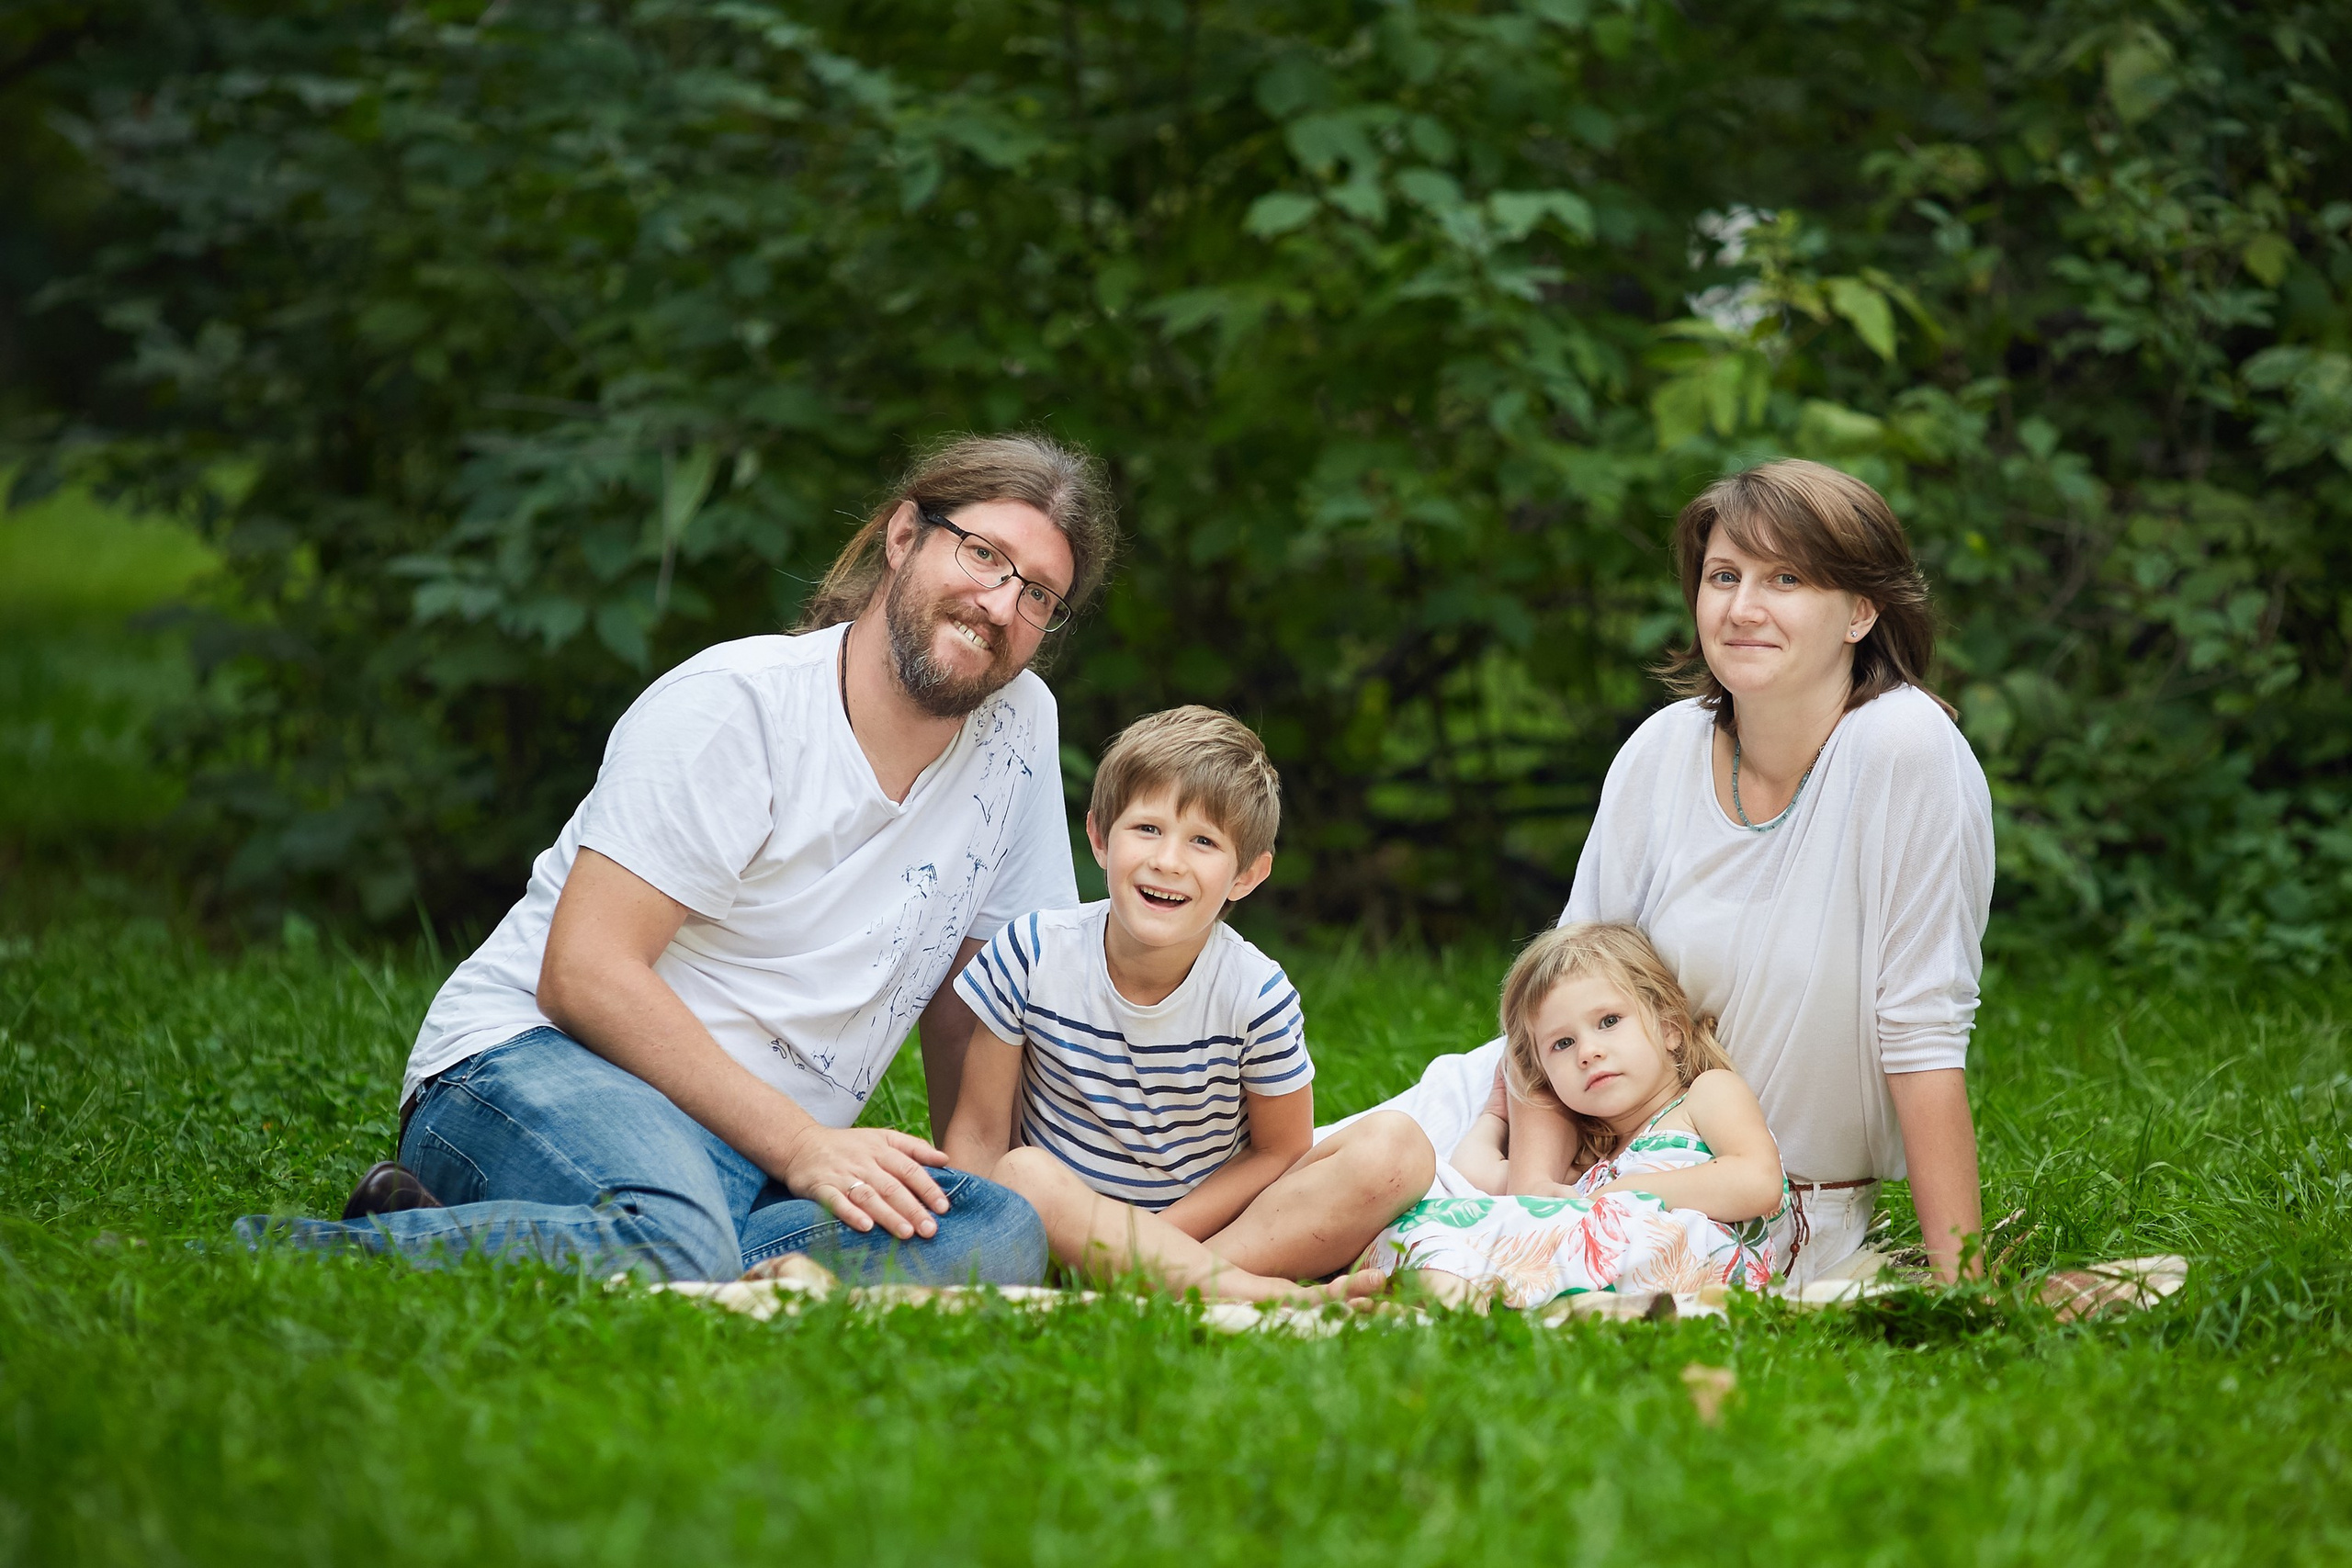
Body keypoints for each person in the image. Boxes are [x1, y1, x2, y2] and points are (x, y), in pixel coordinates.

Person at [235, 432, 1118, 1284]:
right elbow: (582, 973)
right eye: (982, 555)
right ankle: (292, 1257)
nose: (1001, 606)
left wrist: (955, 1189)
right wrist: (804, 1145)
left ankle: (569, 1237)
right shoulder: (736, 706)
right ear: (901, 536)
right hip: (538, 1065)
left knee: (999, 1230)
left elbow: (981, 992)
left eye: (1039, 594)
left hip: (750, 1149)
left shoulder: (1018, 729)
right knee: (682, 1239)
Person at [1332, 458, 1994, 1283]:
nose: (1743, 607)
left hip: (1732, 1203)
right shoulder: (1665, 748)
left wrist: (1965, 1281)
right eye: (1724, 575)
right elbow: (1557, 993)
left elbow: (1922, 1025)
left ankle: (1173, 1275)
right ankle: (1164, 1268)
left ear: (1862, 610)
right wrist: (1536, 1187)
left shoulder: (1904, 751)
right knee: (1287, 1179)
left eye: (1785, 578)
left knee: (1333, 1229)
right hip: (1545, 1132)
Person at [942, 706, 1382, 1303]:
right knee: (1023, 1174)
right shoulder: (1031, 952)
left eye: (1203, 840)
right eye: (1147, 828)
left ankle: (1159, 1278)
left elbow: (1280, 1150)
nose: (1168, 860)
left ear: (1247, 875)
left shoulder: (1257, 993)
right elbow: (979, 1131)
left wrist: (1154, 1239)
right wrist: (971, 1243)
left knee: (1395, 1152)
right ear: (1099, 837)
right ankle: (1254, 1293)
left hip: (1206, 1231)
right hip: (1058, 1226)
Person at [1367, 923, 1787, 1310]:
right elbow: (1476, 1179)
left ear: (1670, 1027)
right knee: (1419, 1222)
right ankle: (1464, 1303)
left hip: (1693, 1261)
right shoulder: (1588, 1161)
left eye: (1609, 1021)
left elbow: (1759, 1182)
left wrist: (1624, 1192)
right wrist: (1495, 1116)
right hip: (1605, 1272)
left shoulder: (1705, 1095)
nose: (1588, 1051)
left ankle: (1470, 1300)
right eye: (1563, 1043)